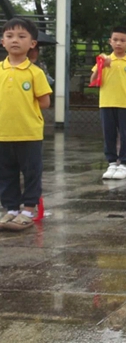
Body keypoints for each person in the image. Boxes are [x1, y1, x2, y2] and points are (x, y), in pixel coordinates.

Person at [0, 17, 52, 231]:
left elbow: (45, 102)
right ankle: (11, 209)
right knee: (5, 173)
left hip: (29, 133)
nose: (15, 40)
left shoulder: (35, 72)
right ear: (2, 41)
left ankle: (28, 210)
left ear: (32, 43)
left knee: (31, 173)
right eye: (9, 36)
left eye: (21, 36)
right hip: (3, 133)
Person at [90, 27, 126, 181]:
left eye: (122, 40)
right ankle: (112, 163)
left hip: (125, 104)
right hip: (106, 103)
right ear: (110, 41)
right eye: (115, 40)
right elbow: (93, 81)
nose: (118, 43)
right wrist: (101, 67)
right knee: (109, 134)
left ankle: (124, 164)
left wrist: (125, 86)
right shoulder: (104, 60)